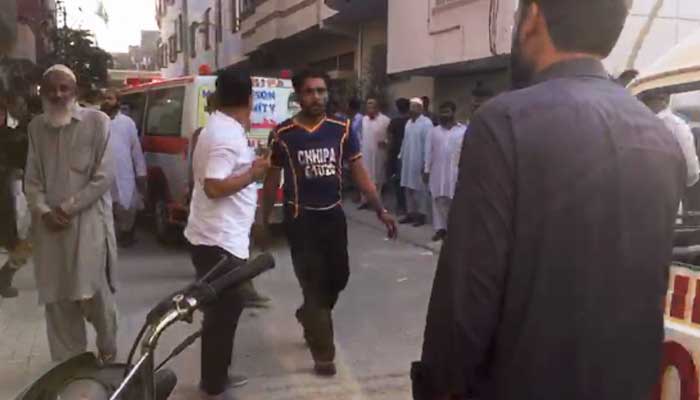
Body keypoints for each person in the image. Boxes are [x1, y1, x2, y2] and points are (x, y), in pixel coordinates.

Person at [412, 0, 686, 399]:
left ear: (533, 17)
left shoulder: (504, 122)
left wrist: (435, 387)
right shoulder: (660, 137)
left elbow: (465, 306)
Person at [261, 69, 397, 377]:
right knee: (314, 285)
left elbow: (360, 171)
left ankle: (308, 314)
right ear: (298, 96)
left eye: (321, 91)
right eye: (310, 91)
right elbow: (271, 181)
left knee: (339, 278)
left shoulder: (342, 127)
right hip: (301, 220)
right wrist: (264, 220)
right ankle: (324, 353)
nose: (317, 97)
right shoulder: (283, 134)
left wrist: (380, 208)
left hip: (333, 217)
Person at [184, 68, 270, 400]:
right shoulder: (226, 134)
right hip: (219, 242)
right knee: (223, 314)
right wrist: (253, 173)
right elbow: (215, 186)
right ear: (249, 99)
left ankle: (215, 376)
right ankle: (214, 385)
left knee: (221, 313)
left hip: (215, 237)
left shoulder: (219, 128)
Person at [25, 65, 118, 363]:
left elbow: (104, 177)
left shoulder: (98, 122)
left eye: (64, 88)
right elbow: (32, 181)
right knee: (58, 300)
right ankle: (72, 369)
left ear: (75, 91)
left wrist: (66, 208)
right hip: (50, 231)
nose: (57, 94)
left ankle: (107, 350)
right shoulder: (36, 128)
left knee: (95, 297)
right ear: (42, 92)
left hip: (87, 227)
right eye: (51, 88)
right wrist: (42, 211)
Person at [101, 89, 147, 247]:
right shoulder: (97, 121)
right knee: (106, 207)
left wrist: (141, 172)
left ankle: (127, 235)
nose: (107, 101)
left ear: (118, 102)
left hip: (124, 173)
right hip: (102, 173)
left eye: (110, 98)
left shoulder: (127, 123)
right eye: (105, 98)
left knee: (127, 206)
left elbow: (136, 149)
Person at [0, 97, 31, 298]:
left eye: (1, 113)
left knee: (19, 244)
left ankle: (4, 280)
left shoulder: (14, 137)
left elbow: (24, 161)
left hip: (7, 199)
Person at [423, 101, 466, 242]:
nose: (443, 115)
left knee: (454, 202)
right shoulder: (433, 131)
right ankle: (441, 230)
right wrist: (426, 170)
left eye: (447, 111)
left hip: (455, 173)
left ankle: (454, 231)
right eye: (441, 112)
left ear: (453, 112)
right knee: (438, 200)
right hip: (437, 172)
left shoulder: (463, 131)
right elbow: (428, 152)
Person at [640, 91, 700, 188]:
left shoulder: (630, 121)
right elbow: (691, 172)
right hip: (667, 193)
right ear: (667, 98)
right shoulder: (677, 125)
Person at [399, 98, 433, 227]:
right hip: (408, 161)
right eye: (411, 107)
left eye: (414, 107)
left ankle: (421, 215)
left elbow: (428, 145)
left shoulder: (426, 123)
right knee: (408, 188)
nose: (411, 109)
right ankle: (410, 213)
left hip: (420, 162)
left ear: (420, 108)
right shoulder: (408, 123)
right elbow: (405, 141)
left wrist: (426, 165)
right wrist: (401, 156)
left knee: (420, 190)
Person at [359, 98, 391, 208]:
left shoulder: (385, 120)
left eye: (372, 106)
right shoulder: (364, 120)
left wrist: (386, 142)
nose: (369, 109)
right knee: (365, 177)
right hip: (365, 153)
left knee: (378, 178)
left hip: (379, 154)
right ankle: (364, 201)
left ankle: (376, 203)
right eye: (368, 106)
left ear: (377, 108)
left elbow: (390, 137)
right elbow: (360, 136)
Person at [388, 98, 411, 215]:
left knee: (398, 181)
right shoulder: (412, 121)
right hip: (410, 154)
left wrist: (389, 155)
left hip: (397, 154)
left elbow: (391, 140)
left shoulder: (394, 122)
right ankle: (409, 207)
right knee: (408, 181)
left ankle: (401, 206)